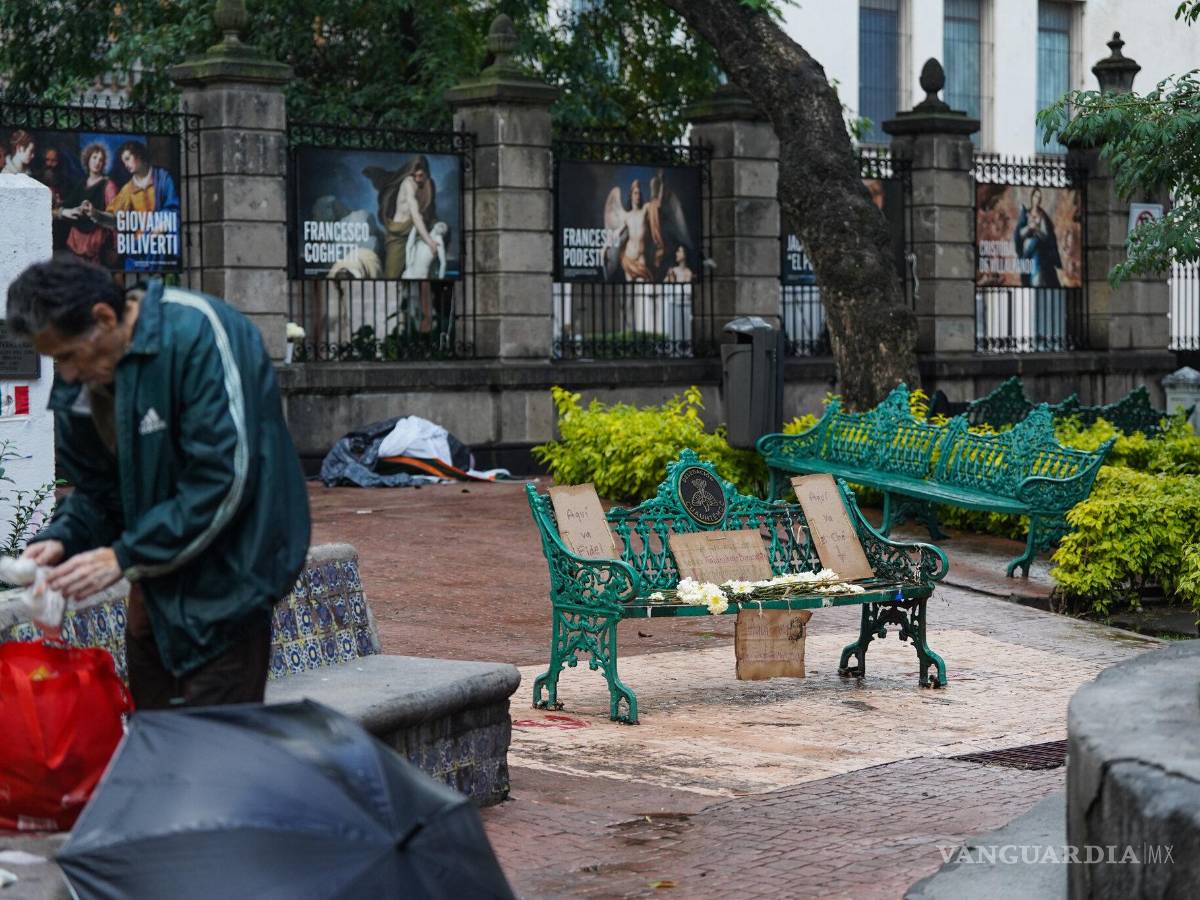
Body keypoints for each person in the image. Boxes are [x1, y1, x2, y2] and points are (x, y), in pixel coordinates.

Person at [9, 260, 311, 709]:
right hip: (154, 591)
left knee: (214, 756)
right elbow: (99, 493)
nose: (67, 375)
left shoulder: (198, 333)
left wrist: (125, 556)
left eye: (69, 356)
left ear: (105, 318)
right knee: (157, 745)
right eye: (56, 362)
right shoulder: (81, 392)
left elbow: (223, 480)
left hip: (228, 587)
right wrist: (61, 540)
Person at [88, 140, 180, 271]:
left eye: (127, 159)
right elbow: (114, 217)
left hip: (161, 244)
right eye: (123, 161)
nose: (126, 164)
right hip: (140, 247)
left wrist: (161, 226)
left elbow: (173, 208)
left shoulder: (163, 178)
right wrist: (95, 214)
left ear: (139, 155)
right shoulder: (128, 189)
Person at [364, 156, 438, 280]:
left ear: (426, 173)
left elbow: (429, 210)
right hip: (398, 233)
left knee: (426, 264)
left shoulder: (428, 184)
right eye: (415, 175)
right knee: (391, 276)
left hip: (415, 229)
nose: (417, 179)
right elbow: (415, 214)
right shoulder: (408, 183)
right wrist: (430, 242)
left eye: (420, 175)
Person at [60, 143, 118, 266]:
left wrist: (94, 212)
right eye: (94, 157)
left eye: (101, 160)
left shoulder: (108, 185)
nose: (97, 162)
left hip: (96, 241)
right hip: (76, 239)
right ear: (88, 159)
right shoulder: (82, 184)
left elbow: (114, 218)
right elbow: (68, 204)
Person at [1013, 187, 1062, 288]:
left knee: (1037, 246)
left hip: (1039, 249)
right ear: (1031, 197)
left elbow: (1046, 236)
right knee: (1033, 245)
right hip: (1027, 249)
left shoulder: (1042, 216)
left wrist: (1037, 229)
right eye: (1035, 196)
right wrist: (1029, 228)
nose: (1037, 199)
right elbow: (1019, 234)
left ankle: (1037, 279)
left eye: (1039, 197)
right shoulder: (1026, 214)